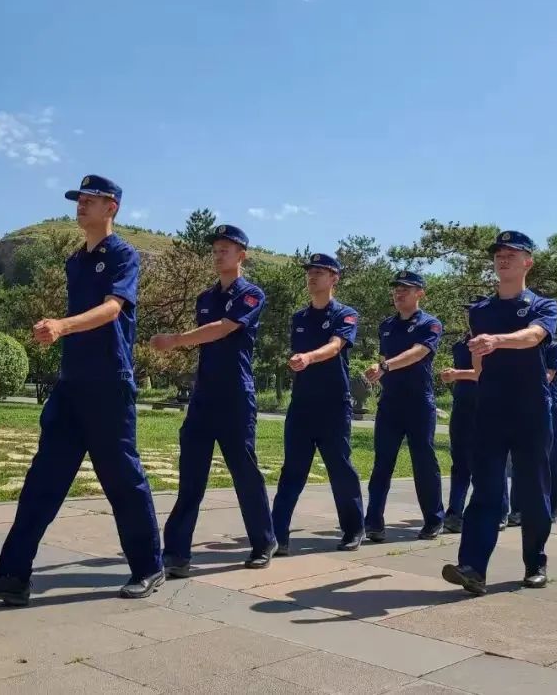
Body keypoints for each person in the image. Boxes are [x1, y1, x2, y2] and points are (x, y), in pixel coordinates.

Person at [0, 174, 164, 606]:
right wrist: (57, 329)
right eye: (79, 199)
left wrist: (62, 325)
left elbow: (112, 310)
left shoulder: (123, 255)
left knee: (122, 479)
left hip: (109, 384)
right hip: (71, 384)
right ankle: (13, 576)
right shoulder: (75, 261)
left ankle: (149, 566)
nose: (81, 205)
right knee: (43, 480)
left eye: (91, 200)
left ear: (111, 208)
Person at [150, 224, 277, 576]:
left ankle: (264, 541)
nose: (218, 254)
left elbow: (224, 328)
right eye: (216, 249)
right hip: (204, 396)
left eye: (226, 249)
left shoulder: (251, 294)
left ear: (241, 255)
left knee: (244, 473)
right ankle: (176, 553)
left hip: (235, 396)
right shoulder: (205, 297)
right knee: (191, 475)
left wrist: (176, 339)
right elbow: (207, 336)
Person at [442, 230, 557, 595]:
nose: (503, 258)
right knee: (486, 489)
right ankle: (473, 568)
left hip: (531, 410)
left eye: (512, 253)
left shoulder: (543, 305)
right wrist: (476, 369)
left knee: (533, 490)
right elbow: (480, 365)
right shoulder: (480, 311)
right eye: (498, 254)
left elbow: (533, 337)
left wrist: (497, 340)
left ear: (528, 262)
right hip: (491, 409)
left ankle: (535, 562)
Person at [271, 252, 366, 555]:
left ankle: (353, 528)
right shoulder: (299, 318)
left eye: (319, 272)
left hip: (333, 405)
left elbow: (335, 346)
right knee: (292, 471)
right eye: (309, 272)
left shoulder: (345, 314)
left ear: (334, 278)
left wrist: (308, 357)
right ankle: (276, 536)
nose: (312, 277)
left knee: (340, 468)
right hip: (302, 405)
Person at [363, 271, 446, 542]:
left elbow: (418, 352)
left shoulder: (430, 324)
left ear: (420, 293)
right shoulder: (387, 325)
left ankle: (434, 519)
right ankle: (373, 522)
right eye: (396, 289)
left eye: (406, 289)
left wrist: (386, 365)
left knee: (424, 462)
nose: (399, 294)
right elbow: (385, 358)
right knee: (382, 463)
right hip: (390, 403)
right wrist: (378, 368)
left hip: (419, 403)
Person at [439, 295, 498, 534]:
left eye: (475, 311)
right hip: (463, 404)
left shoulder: (494, 341)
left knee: (488, 462)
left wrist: (456, 374)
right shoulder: (462, 343)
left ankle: (497, 510)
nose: (470, 315)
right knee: (460, 460)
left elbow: (483, 374)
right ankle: (455, 512)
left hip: (487, 406)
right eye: (467, 311)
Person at [506, 337, 557, 525]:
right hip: (521, 406)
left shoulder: (553, 347)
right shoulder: (519, 344)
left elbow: (548, 375)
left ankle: (554, 504)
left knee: (550, 456)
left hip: (548, 407)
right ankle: (518, 508)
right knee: (519, 458)